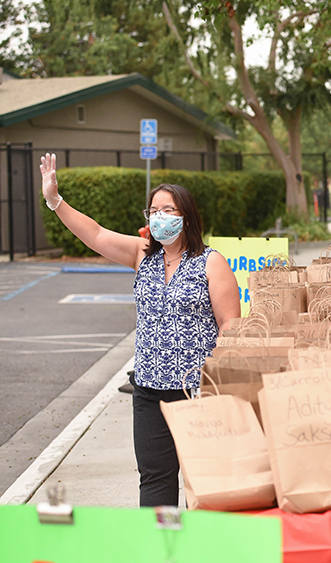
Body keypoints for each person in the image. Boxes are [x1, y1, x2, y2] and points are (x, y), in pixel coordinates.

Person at [39, 153, 241, 507]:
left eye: (168, 210)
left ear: (187, 217)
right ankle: (161, 555)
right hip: (148, 392)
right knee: (155, 482)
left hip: (198, 392)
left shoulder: (211, 262)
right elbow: (96, 234)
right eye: (154, 211)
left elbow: (230, 327)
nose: (159, 217)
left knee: (208, 483)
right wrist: (55, 201)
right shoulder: (141, 255)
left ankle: (206, 557)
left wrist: (221, 387)